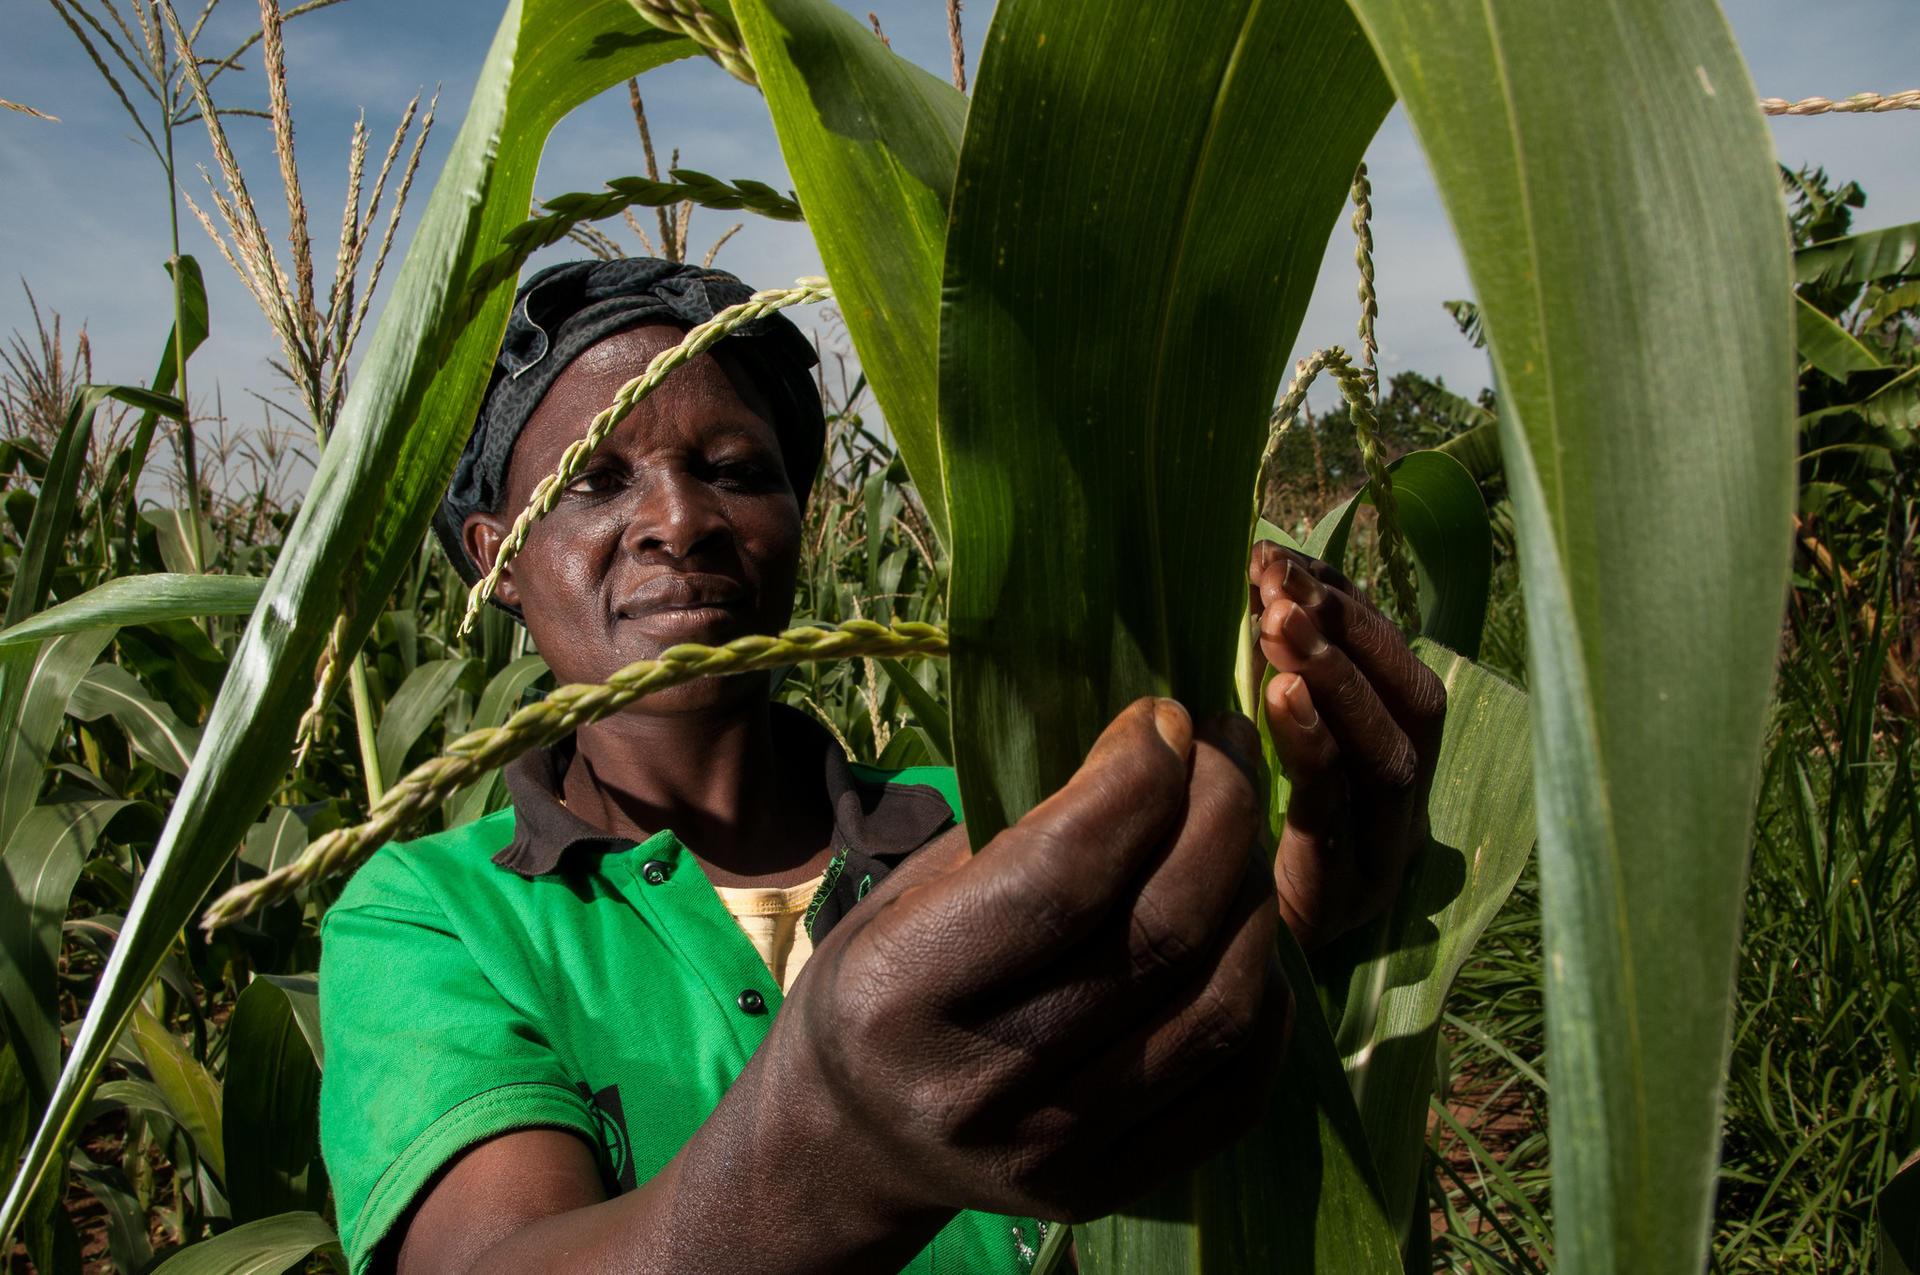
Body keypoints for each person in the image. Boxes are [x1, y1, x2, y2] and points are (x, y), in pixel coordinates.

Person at [316, 259, 1445, 1275]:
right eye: (595, 482)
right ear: (495, 558)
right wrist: (836, 1147)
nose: (679, 519)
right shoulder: (437, 917)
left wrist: (1288, 927)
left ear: (801, 517)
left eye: (735, 469)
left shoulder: (1021, 817)